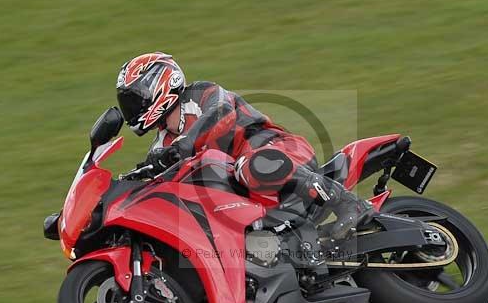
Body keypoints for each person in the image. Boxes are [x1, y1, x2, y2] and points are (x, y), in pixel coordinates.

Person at [115, 52, 373, 240]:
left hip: (279, 152)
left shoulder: (201, 94)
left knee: (249, 166)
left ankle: (348, 202)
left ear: (159, 85)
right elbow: (158, 179)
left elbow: (219, 113)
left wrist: (186, 144)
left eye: (134, 98)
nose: (131, 107)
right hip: (245, 192)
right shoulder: (162, 144)